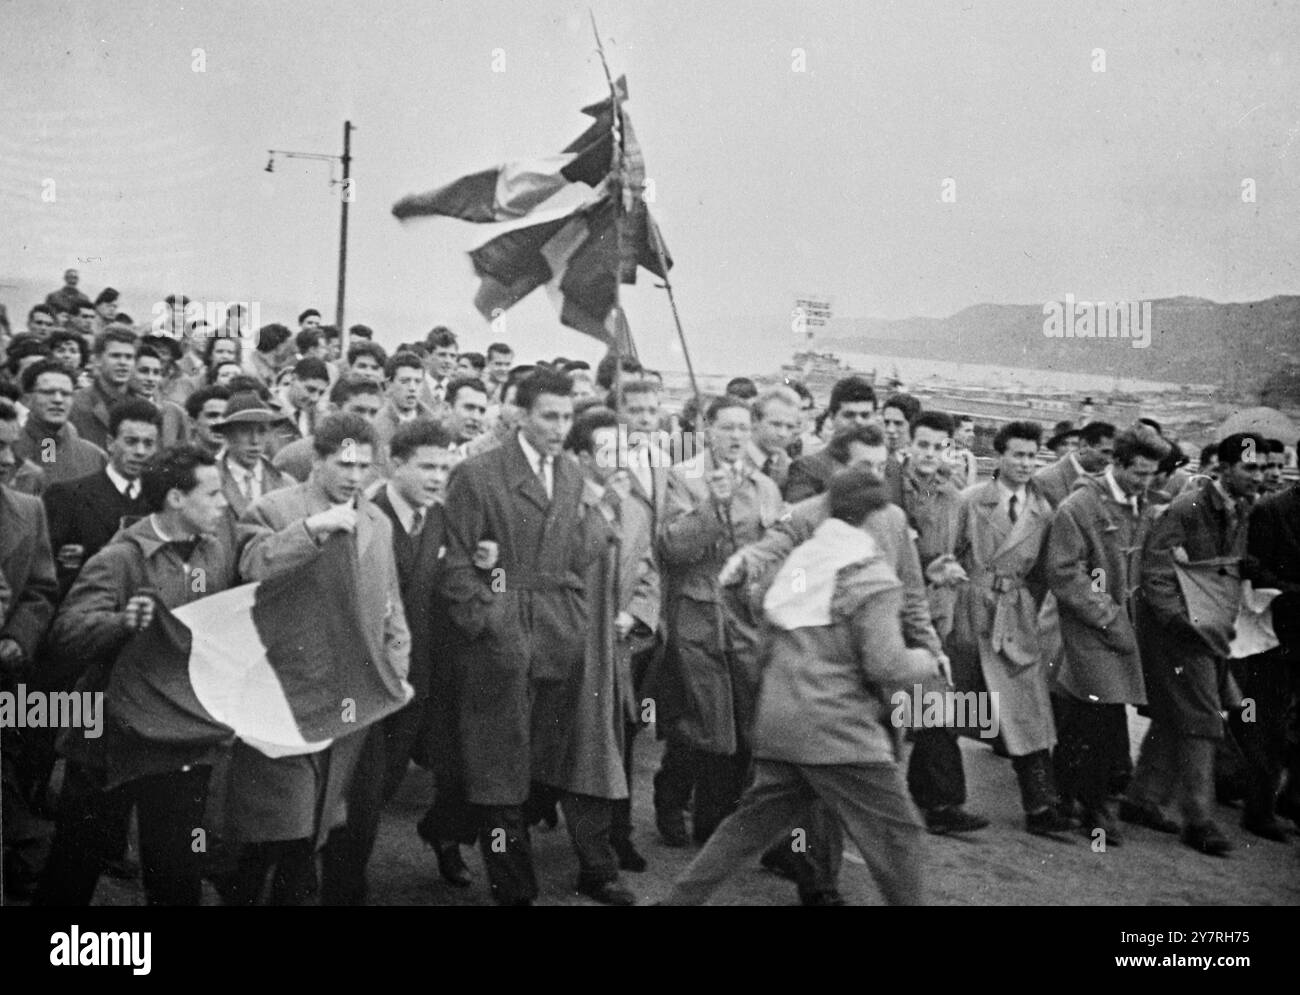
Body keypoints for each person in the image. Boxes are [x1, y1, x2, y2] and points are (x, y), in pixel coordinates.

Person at [662, 465, 941, 906]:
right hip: (841, 733)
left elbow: (758, 629)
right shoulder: (872, 580)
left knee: (747, 827)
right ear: (877, 517)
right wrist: (926, 660)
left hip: (782, 723)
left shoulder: (798, 567)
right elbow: (886, 664)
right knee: (899, 834)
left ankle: (678, 901)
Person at [437, 368, 615, 905]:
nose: (560, 428)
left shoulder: (569, 473)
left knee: (538, 765)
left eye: (567, 417)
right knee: (499, 771)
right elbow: (459, 568)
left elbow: (578, 555)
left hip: (556, 635)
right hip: (500, 641)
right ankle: (514, 892)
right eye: (549, 416)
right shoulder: (478, 474)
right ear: (519, 415)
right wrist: (489, 622)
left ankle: (443, 824)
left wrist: (603, 511)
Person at [34, 447, 236, 906]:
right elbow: (65, 633)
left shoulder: (213, 550)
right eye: (213, 492)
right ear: (175, 499)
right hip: (111, 741)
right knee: (77, 864)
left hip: (182, 735)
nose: (224, 503)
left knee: (178, 869)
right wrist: (121, 622)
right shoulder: (121, 558)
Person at [226, 413, 409, 905]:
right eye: (344, 464)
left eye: (364, 467)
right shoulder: (274, 507)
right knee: (278, 829)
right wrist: (311, 529)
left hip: (356, 697)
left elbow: (391, 607)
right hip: (288, 691)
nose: (355, 476)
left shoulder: (377, 521)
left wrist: (395, 670)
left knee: (346, 822)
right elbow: (251, 565)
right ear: (318, 460)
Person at [324, 418, 459, 903]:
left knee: (379, 791)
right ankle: (340, 889)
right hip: (358, 682)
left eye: (445, 466)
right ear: (395, 464)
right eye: (426, 466)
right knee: (353, 799)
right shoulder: (365, 513)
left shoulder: (438, 517)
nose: (437, 476)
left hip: (412, 683)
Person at [1125, 432, 1265, 857]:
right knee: (1204, 719)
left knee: (1174, 715)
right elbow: (1156, 574)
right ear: (1223, 469)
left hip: (1210, 630)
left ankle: (1142, 800)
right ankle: (1199, 821)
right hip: (1179, 634)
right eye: (1249, 468)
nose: (1258, 476)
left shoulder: (1241, 509)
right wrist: (1181, 623)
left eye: (1261, 467)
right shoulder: (1187, 508)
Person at [654, 395, 784, 847]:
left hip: (745, 618)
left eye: (743, 429)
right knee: (703, 725)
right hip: (697, 615)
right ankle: (670, 798)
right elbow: (672, 547)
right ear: (706, 429)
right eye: (726, 428)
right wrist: (712, 504)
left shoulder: (765, 486)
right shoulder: (684, 476)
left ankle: (714, 825)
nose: (735, 437)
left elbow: (772, 550)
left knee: (743, 727)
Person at [1045, 425, 1170, 843]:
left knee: (1083, 716)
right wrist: (1108, 614)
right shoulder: (1078, 506)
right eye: (1139, 473)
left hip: (1123, 626)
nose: (1146, 482)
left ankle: (1066, 796)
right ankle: (1095, 806)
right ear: (1116, 463)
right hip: (1089, 627)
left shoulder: (1140, 505)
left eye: (1152, 474)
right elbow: (1064, 572)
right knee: (1101, 714)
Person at [948, 420, 1072, 836]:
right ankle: (938, 800)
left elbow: (1042, 573)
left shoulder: (1043, 511)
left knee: (1026, 709)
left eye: (1031, 456)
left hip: (1014, 615)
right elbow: (950, 557)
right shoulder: (969, 501)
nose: (1024, 464)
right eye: (1016, 454)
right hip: (970, 609)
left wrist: (1023, 608)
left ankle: (1040, 807)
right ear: (999, 456)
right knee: (945, 705)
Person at [560, 407, 661, 877]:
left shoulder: (638, 507)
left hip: (617, 652)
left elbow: (649, 571)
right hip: (571, 650)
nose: (619, 459)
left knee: (613, 746)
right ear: (581, 457)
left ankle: (610, 847)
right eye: (607, 450)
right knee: (578, 757)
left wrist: (636, 613)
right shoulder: (564, 505)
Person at [0, 405, 59, 898]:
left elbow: (41, 589)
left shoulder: (27, 509)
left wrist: (18, 637)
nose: (5, 458)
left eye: (8, 445)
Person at [1236, 449, 1300, 836]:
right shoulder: (1272, 510)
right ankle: (1258, 809)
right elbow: (1253, 568)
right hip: (1277, 634)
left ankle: (1293, 800)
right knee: (1267, 724)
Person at [43, 398, 159, 599]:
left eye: (148, 443)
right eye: (131, 442)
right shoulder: (67, 496)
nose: (140, 452)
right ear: (110, 443)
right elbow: (48, 576)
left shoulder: (160, 501)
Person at [210, 392, 296, 553]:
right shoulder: (208, 482)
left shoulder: (286, 484)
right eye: (245, 431)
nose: (255, 440)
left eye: (262, 431)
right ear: (227, 434)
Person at [271, 375, 386, 484]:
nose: (367, 419)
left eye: (373, 413)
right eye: (358, 410)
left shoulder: (379, 455)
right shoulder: (297, 456)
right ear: (334, 409)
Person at [784, 375, 877, 502]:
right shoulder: (807, 468)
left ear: (875, 417)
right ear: (832, 417)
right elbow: (799, 517)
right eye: (849, 415)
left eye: (865, 415)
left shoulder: (891, 466)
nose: (858, 422)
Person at [15, 360, 107, 484]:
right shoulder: (9, 450)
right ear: (28, 398)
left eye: (65, 394)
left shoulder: (95, 457)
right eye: (48, 392)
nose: (58, 400)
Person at [68, 328, 137, 451]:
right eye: (115, 356)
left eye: (129, 357)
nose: (123, 363)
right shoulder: (73, 403)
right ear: (97, 360)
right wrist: (49, 465)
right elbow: (47, 439)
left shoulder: (144, 407)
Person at [1034, 421, 1116, 510]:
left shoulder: (1109, 480)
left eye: (1113, 454)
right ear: (1084, 445)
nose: (1109, 460)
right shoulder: (1044, 480)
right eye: (1105, 452)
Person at [129, 343, 189, 448]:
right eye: (144, 371)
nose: (150, 378)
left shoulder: (174, 412)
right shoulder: (116, 407)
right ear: (129, 372)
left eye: (156, 373)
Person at [374, 352, 436, 445]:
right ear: (388, 385)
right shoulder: (377, 425)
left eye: (418, 381)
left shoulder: (432, 423)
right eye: (405, 381)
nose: (412, 388)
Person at [748, 385, 802, 490]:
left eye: (790, 427)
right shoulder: (731, 461)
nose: (783, 433)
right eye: (776, 424)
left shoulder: (791, 468)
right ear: (755, 420)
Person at [441, 376, 489, 455]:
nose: (476, 417)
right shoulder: (423, 446)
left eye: (481, 411)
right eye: (469, 408)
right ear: (446, 409)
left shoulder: (484, 456)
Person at [417, 326, 459, 409]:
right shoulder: (415, 386)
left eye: (452, 356)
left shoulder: (458, 390)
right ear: (427, 356)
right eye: (442, 355)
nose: (448, 361)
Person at [184, 384, 231, 457]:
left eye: (226, 416)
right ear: (192, 422)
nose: (220, 422)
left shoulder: (240, 462)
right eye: (212, 416)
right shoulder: (179, 461)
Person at [951, 413, 980, 488]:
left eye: (972, 431)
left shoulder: (968, 456)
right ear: (954, 432)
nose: (973, 435)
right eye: (967, 431)